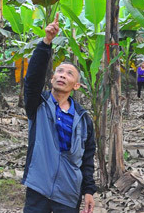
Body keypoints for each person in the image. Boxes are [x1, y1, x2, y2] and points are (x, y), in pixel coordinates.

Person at [22, 13, 96, 213]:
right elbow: (32, 79)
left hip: (69, 190)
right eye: (59, 71)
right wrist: (46, 42)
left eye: (69, 73)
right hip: (39, 187)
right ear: (52, 78)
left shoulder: (83, 119)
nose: (63, 75)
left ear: (77, 85)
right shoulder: (38, 105)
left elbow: (87, 157)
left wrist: (88, 190)